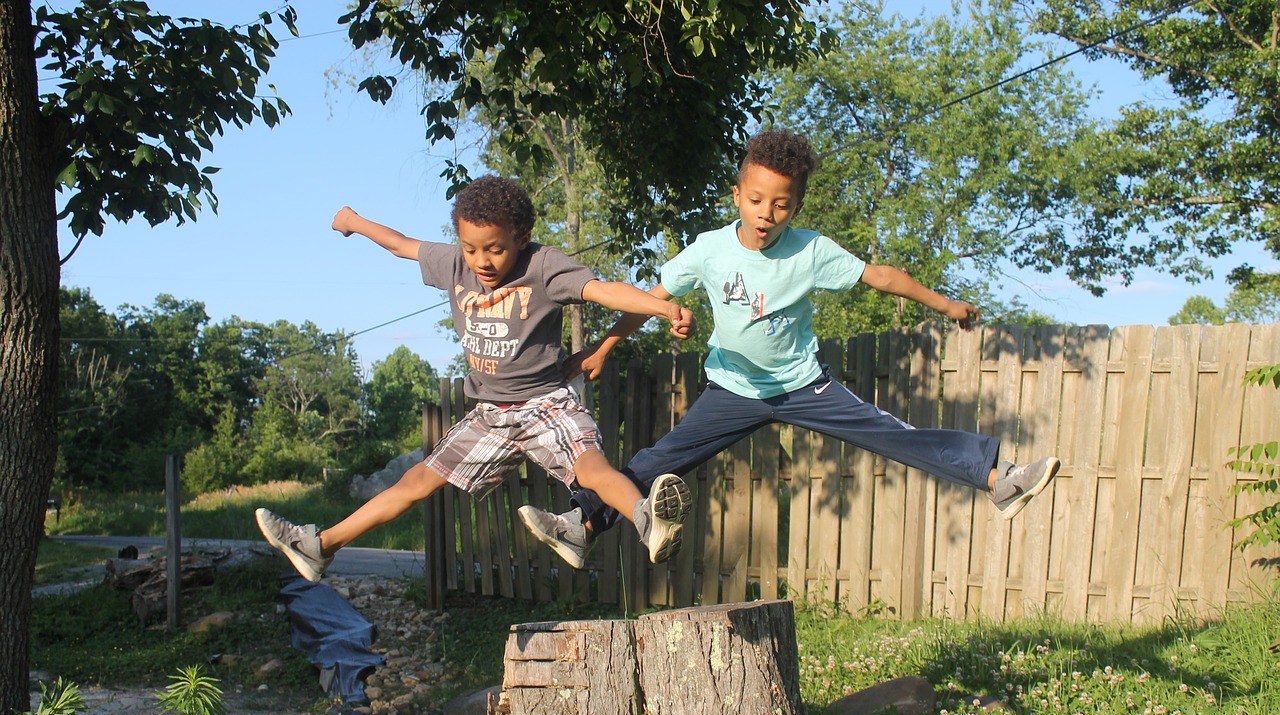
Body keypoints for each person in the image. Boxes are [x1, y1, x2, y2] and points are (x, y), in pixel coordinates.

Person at [519, 129, 1060, 569]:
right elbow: (651, 298)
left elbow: (881, 277)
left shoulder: (812, 251)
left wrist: (946, 306)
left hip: (804, 385)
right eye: (756, 200)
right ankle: (580, 526)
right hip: (732, 389)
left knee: (892, 433)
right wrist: (606, 346)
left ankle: (998, 478)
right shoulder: (709, 249)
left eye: (781, 205)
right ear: (737, 196)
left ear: (795, 206)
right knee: (660, 459)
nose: (766, 214)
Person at [256, 176, 695, 581]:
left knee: (591, 467)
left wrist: (663, 308)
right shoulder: (454, 265)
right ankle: (318, 545)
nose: (481, 262)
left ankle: (647, 520)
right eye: (471, 248)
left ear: (520, 239)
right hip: (490, 415)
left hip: (545, 404)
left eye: (495, 250)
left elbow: (604, 290)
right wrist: (353, 221)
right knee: (416, 482)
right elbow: (400, 244)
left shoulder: (542, 265)